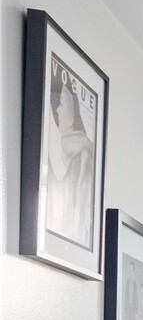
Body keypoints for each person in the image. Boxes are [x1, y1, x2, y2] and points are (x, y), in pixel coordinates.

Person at [45, 70, 96, 249]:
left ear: (73, 112)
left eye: (60, 103)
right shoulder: (72, 150)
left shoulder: (81, 154)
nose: (57, 109)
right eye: (55, 104)